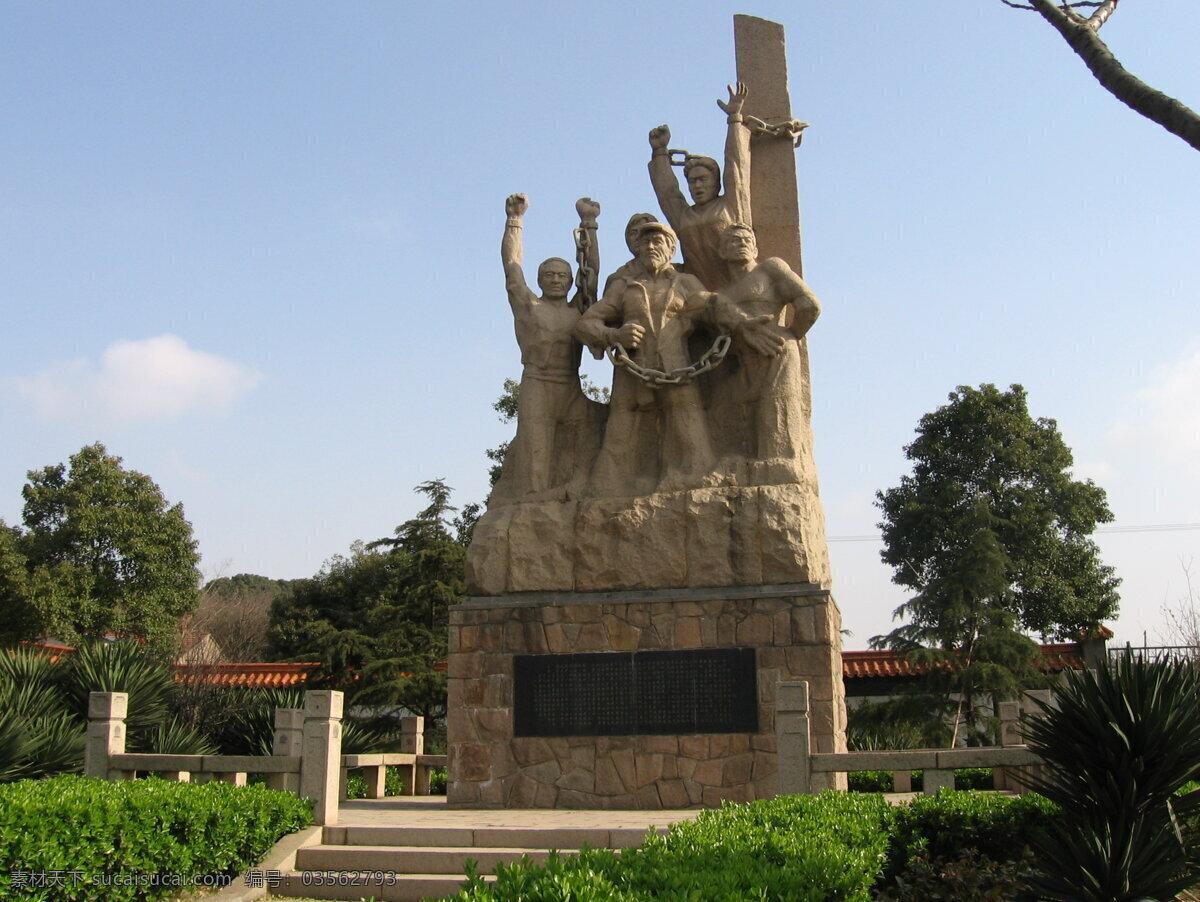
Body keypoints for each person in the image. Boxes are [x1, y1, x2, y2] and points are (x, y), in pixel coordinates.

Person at [576, 221, 780, 494]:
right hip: (632, 372)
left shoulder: (685, 283)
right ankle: (602, 492)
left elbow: (713, 304)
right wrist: (615, 336)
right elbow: (585, 324)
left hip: (677, 368)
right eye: (646, 242)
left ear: (671, 249)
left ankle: (701, 485)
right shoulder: (625, 286)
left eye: (658, 242)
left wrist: (742, 323)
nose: (651, 247)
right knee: (618, 435)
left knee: (691, 432)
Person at [499, 193, 601, 497]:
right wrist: (514, 221)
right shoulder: (528, 305)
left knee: (599, 428)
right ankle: (532, 500)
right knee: (535, 449)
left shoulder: (578, 310)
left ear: (570, 281)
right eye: (549, 275)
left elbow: (591, 272)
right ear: (540, 280)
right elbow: (512, 266)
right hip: (537, 384)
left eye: (562, 276)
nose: (556, 280)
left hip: (570, 387)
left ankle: (581, 487)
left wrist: (589, 225)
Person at [714, 223, 820, 465]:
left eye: (747, 240)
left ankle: (783, 469)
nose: (741, 244)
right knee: (742, 422)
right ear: (721, 252)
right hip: (743, 365)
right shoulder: (722, 294)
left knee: (778, 416)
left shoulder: (770, 269)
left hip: (777, 354)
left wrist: (790, 336)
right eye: (733, 240)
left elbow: (809, 305)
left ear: (755, 248)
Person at [648, 83, 752, 290]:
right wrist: (660, 151)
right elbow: (667, 193)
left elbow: (736, 166)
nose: (697, 185)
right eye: (692, 181)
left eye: (703, 179)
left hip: (738, 292)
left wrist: (734, 119)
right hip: (699, 297)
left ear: (717, 181)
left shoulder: (731, 205)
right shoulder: (683, 216)